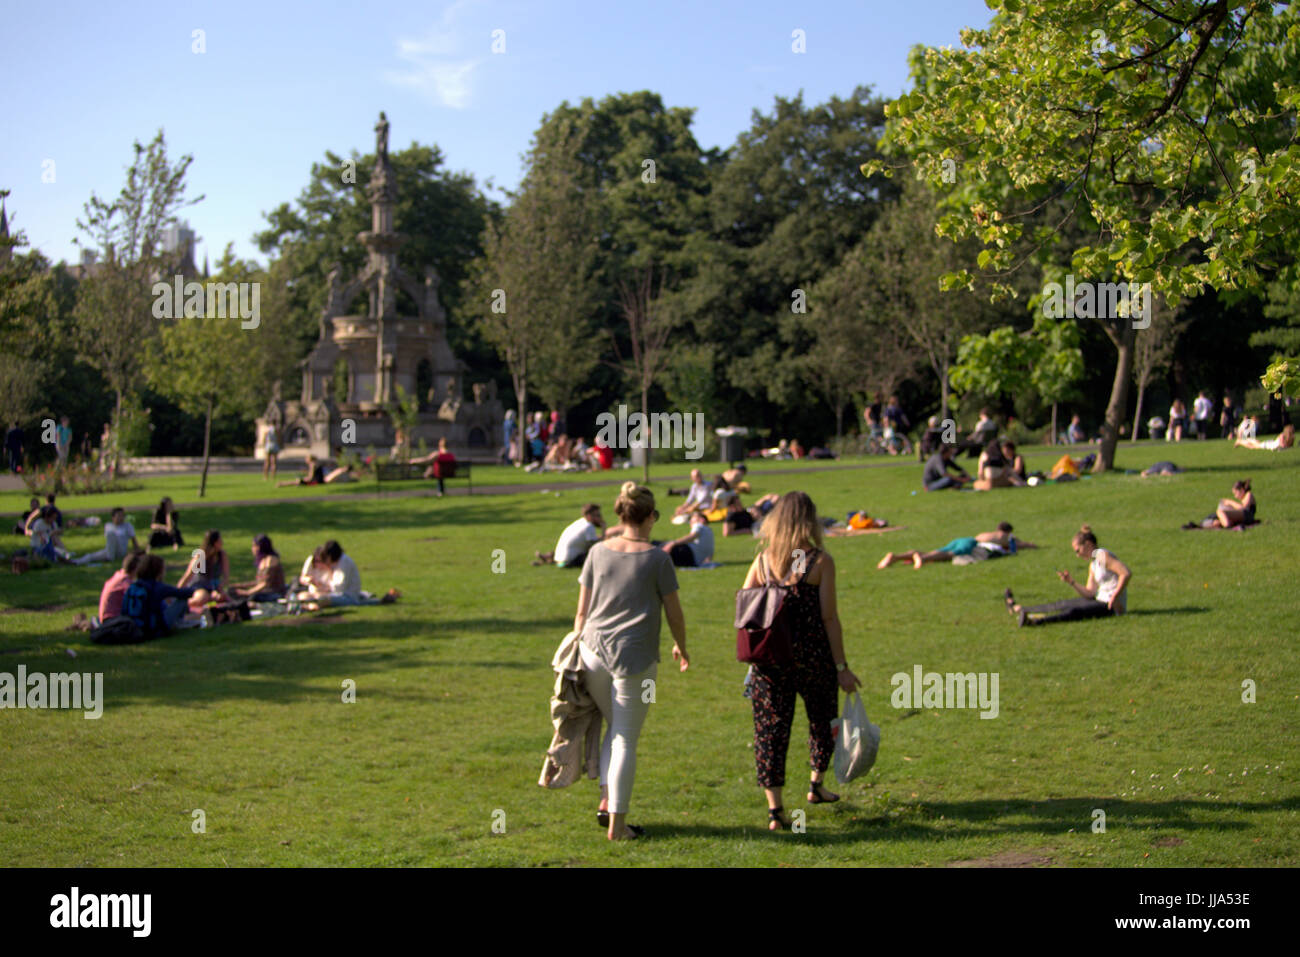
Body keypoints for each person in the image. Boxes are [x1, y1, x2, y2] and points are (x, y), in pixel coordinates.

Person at [572, 482, 688, 840]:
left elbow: (581, 612)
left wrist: (575, 649)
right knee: (624, 736)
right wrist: (682, 648)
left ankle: (607, 802)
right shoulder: (658, 558)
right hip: (633, 659)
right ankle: (618, 827)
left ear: (621, 513)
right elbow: (675, 613)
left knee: (614, 725)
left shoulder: (597, 551)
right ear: (650, 517)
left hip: (591, 652)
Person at [742, 491, 861, 831]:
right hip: (813, 657)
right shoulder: (819, 562)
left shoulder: (763, 561)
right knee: (821, 719)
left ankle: (775, 810)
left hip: (771, 659)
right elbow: (829, 618)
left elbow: (745, 609)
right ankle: (815, 784)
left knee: (770, 731)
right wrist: (842, 667)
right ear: (809, 521)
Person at [1004, 525, 1130, 627]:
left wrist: (1115, 596)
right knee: (1064, 604)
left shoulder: (1102, 555)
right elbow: (1090, 593)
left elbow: (1125, 573)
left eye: (1077, 550)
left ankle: (1035, 621)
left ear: (1087, 544)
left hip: (1111, 606)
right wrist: (1071, 582)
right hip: (1100, 600)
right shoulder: (1093, 564)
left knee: (1074, 612)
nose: (1078, 555)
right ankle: (1023, 610)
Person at [878, 522, 1036, 569]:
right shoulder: (1005, 537)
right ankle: (922, 558)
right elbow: (1021, 545)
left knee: (939, 551)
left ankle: (896, 557)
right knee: (949, 555)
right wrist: (1034, 546)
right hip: (972, 544)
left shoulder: (986, 533)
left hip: (963, 538)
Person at [122, 554, 198, 637]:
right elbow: (184, 593)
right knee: (182, 600)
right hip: (153, 629)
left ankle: (180, 623)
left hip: (132, 627)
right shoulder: (157, 587)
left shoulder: (134, 586)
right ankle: (179, 623)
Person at [535, 503, 616, 567]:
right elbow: (596, 546)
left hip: (560, 557)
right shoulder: (589, 526)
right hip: (569, 561)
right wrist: (603, 530)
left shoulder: (580, 522)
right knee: (597, 554)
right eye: (598, 515)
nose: (600, 518)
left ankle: (549, 557)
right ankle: (549, 558)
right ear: (589, 516)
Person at [180, 529, 231, 611]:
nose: (222, 542)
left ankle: (209, 604)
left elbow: (226, 576)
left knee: (222, 598)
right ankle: (183, 603)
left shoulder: (222, 555)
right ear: (214, 543)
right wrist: (177, 592)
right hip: (199, 586)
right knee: (203, 598)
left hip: (214, 586)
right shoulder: (200, 556)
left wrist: (220, 587)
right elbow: (188, 576)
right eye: (220, 540)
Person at [228, 534, 287, 601]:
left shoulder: (271, 559)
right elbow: (258, 582)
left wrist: (248, 592)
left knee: (253, 596)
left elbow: (265, 583)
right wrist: (240, 585)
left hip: (274, 592)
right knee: (232, 591)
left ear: (260, 547)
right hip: (264, 591)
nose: (252, 549)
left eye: (254, 546)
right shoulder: (263, 561)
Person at [74, 506, 139, 565]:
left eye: (123, 515)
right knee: (91, 556)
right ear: (113, 517)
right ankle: (75, 562)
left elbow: (133, 540)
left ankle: (110, 558)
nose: (121, 518)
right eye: (119, 516)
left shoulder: (127, 526)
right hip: (110, 550)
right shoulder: (108, 525)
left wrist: (137, 552)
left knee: (111, 534)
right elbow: (110, 542)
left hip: (121, 551)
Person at [307, 540, 362, 607]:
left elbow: (339, 588)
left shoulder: (344, 562)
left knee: (321, 598)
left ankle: (308, 606)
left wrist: (324, 589)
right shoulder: (338, 562)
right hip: (340, 594)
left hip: (348, 596)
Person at [1185, 479, 1257, 529]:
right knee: (1218, 521)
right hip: (1244, 516)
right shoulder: (1244, 497)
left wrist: (1230, 502)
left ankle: (1228, 527)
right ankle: (1200, 526)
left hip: (1247, 515)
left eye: (1236, 493)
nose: (1235, 496)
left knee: (1220, 512)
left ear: (1242, 489)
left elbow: (1243, 508)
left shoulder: (1248, 494)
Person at [99, 551, 144, 623]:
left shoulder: (118, 576)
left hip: (105, 617)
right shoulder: (125, 583)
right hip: (112, 620)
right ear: (135, 569)